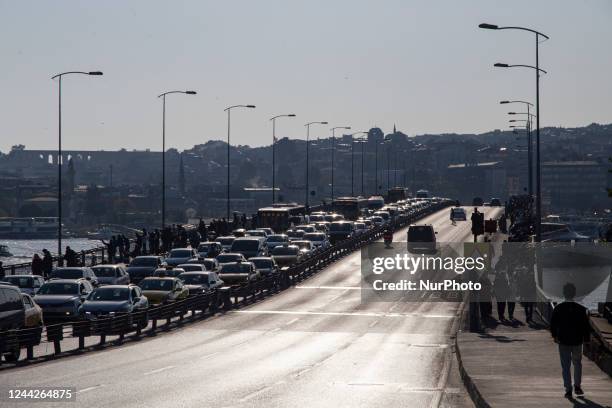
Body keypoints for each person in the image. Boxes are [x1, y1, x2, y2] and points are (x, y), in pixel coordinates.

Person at [550, 283, 591, 399]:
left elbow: (553, 324)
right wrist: (586, 340)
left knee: (565, 366)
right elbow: (585, 326)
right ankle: (577, 386)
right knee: (577, 363)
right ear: (574, 294)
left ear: (564, 293)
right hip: (577, 341)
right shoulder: (581, 309)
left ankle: (568, 389)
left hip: (563, 341)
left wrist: (554, 336)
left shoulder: (558, 308)